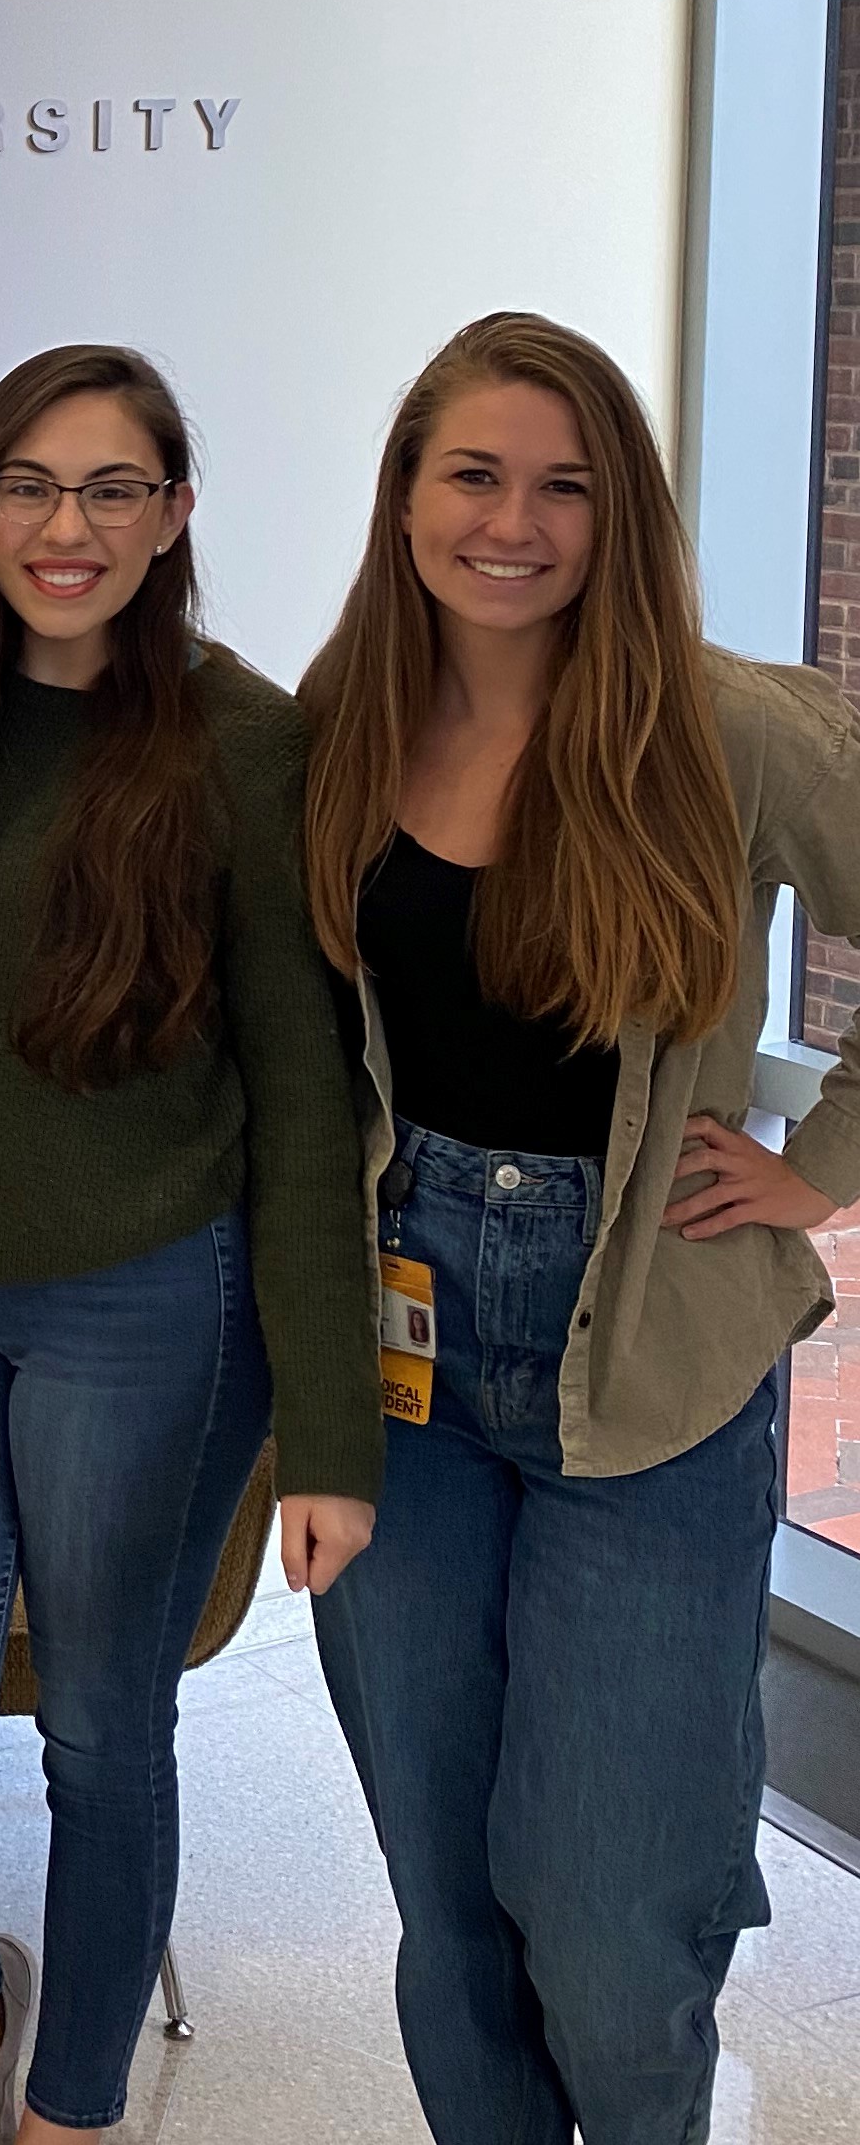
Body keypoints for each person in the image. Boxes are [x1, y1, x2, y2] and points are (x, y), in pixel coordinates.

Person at [300, 311, 860, 2145]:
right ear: (404, 500)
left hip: (656, 1352)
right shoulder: (339, 727)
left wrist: (828, 1165)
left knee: (610, 1916)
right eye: (473, 474)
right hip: (403, 1354)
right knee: (449, 1895)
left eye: (566, 484)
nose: (514, 521)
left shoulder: (725, 727)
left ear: (621, 515)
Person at [0, 343, 381, 2145]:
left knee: (97, 1737)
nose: (64, 527)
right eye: (28, 485)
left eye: (111, 490)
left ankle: (73, 2114)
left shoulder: (246, 743)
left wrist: (330, 1419)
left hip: (150, 1299)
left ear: (175, 517)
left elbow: (309, 1103)